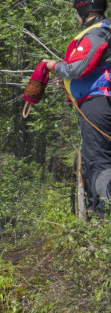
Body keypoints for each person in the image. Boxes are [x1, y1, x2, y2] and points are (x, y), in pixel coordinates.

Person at [44, 0, 111, 216]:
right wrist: (64, 79)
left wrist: (54, 66)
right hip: (98, 101)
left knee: (97, 158)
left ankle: (102, 215)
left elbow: (76, 68)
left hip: (97, 102)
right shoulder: (103, 30)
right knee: (98, 156)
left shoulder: (97, 32)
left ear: (83, 10)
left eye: (76, 12)